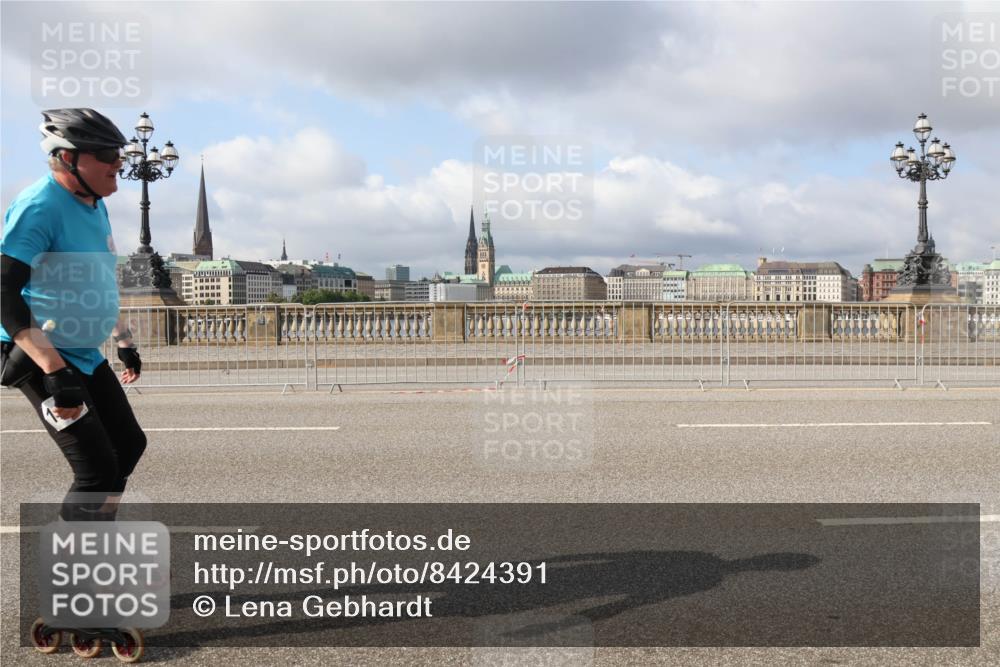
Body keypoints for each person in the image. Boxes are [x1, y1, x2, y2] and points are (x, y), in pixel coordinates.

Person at [0, 108, 146, 521]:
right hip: (41, 353)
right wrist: (54, 370)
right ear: (67, 158)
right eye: (104, 153)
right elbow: (4, 292)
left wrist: (124, 340)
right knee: (96, 469)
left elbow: (98, 279)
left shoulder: (94, 204)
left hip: (83, 350)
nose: (118, 162)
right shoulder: (39, 206)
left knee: (129, 446)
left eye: (119, 153)